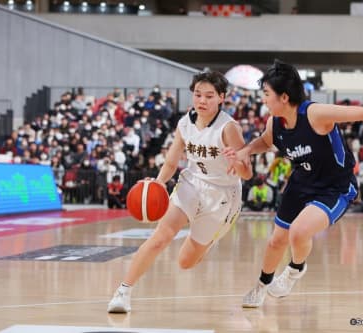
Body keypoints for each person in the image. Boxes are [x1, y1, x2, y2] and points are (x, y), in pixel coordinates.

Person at [223, 60, 363, 308]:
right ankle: (261, 286)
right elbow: (266, 141)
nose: (263, 100)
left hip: (334, 188)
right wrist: (246, 151)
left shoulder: (316, 114)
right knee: (276, 241)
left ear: (284, 97)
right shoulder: (275, 122)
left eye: (266, 95)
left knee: (299, 232)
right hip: (300, 182)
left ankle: (295, 269)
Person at [107, 71, 253, 313]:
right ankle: (123, 291)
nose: (202, 100)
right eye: (198, 94)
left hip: (223, 196)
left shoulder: (229, 128)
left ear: (221, 98)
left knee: (185, 262)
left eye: (209, 96)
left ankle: (205, 241)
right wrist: (158, 183)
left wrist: (237, 160)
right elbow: (172, 162)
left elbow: (246, 174)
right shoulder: (185, 123)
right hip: (192, 183)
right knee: (160, 237)